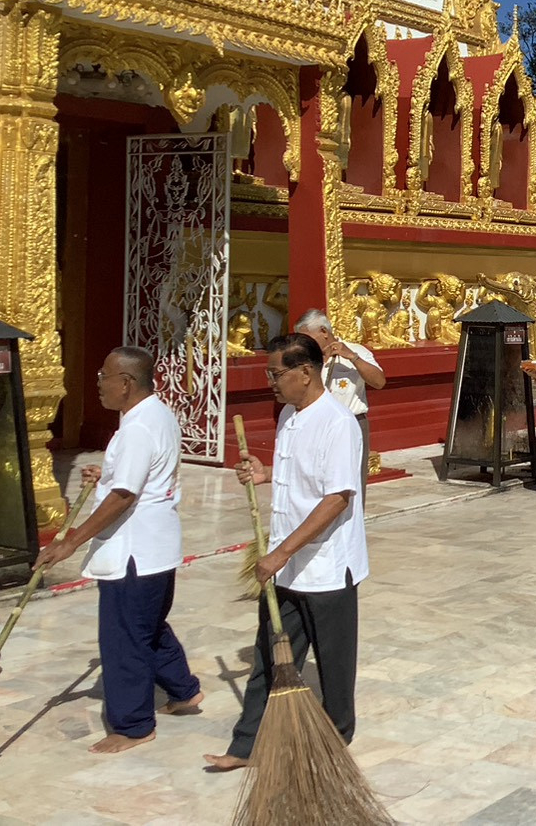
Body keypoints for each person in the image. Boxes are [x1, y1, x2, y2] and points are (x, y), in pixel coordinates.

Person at [205, 334, 368, 771]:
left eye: (277, 374)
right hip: (286, 567)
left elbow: (337, 498)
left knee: (333, 666)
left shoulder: (337, 422)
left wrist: (279, 554)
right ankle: (246, 744)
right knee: (270, 656)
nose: (271, 382)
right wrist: (265, 474)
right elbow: (303, 476)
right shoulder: (289, 419)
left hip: (326, 568)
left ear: (305, 372)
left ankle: (337, 739)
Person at [33, 346, 202, 754]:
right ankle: (184, 689)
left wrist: (70, 541)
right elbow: (132, 475)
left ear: (125, 383)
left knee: (124, 637)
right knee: (148, 625)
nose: (98, 385)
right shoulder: (156, 414)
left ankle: (132, 726)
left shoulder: (138, 428)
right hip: (157, 547)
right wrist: (106, 472)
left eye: (103, 377)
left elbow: (125, 494)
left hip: (135, 550)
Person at [295, 309, 385, 497]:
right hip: (315, 424)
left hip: (351, 423)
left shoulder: (357, 351)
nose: (304, 344)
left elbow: (379, 382)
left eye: (307, 338)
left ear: (324, 332)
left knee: (350, 483)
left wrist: (352, 357)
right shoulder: (305, 358)